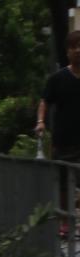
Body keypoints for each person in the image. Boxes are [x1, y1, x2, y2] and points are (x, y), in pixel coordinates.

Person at [38, 30, 80, 161]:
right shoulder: (57, 79)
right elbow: (44, 101)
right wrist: (40, 122)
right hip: (63, 145)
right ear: (68, 52)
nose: (78, 50)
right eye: (74, 47)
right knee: (62, 180)